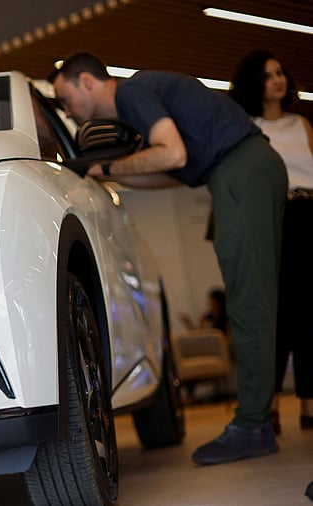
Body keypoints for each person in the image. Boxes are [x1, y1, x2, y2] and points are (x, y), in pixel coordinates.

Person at [51, 53, 287, 465]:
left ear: (86, 81)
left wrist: (105, 164)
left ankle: (253, 425)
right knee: (251, 297)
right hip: (233, 172)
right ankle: (257, 420)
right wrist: (105, 175)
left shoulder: (133, 93)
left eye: (65, 97)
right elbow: (174, 173)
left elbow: (172, 154)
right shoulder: (144, 101)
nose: (66, 109)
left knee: (250, 302)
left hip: (241, 169)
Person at [230, 49, 313, 434]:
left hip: (309, 216)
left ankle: (310, 404)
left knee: (311, 316)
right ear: (254, 84)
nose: (277, 80)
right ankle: (271, 405)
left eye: (280, 72)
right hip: (273, 219)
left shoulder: (303, 124)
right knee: (275, 312)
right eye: (267, 75)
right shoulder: (248, 126)